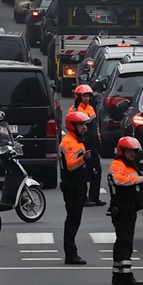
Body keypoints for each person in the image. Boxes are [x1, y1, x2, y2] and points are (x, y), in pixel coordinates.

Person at [108, 137, 143, 285]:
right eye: (130, 151)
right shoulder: (117, 165)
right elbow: (118, 180)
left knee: (121, 241)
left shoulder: (129, 165)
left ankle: (117, 274)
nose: (133, 155)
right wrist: (137, 180)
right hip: (122, 210)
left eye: (135, 152)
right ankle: (126, 274)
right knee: (125, 241)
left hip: (129, 209)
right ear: (122, 150)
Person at [59, 110, 93, 265]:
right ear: (72, 126)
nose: (84, 128)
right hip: (73, 187)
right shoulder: (69, 143)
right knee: (73, 220)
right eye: (81, 124)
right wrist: (83, 159)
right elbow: (71, 166)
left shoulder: (76, 140)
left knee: (74, 220)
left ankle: (71, 252)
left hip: (77, 186)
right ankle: (70, 253)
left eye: (84, 124)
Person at [71, 85, 104, 206]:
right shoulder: (74, 110)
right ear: (78, 97)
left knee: (97, 171)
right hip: (81, 145)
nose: (87, 98)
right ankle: (83, 198)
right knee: (83, 172)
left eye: (88, 96)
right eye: (84, 96)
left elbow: (95, 127)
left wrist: (98, 140)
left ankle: (94, 197)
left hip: (92, 144)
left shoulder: (91, 109)